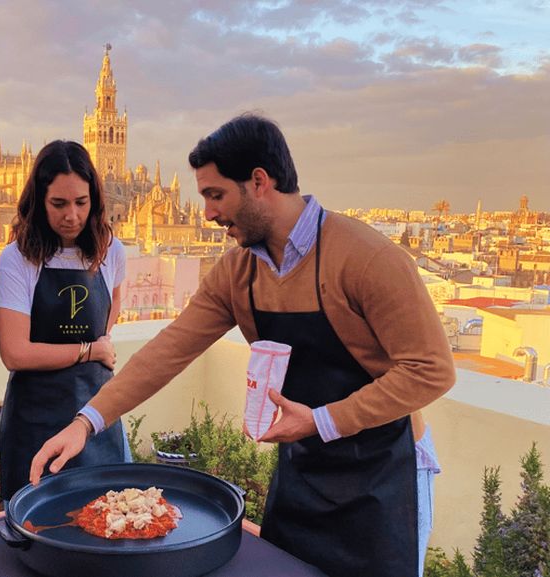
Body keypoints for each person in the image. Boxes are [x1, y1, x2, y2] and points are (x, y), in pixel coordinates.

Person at [30, 114, 455, 577]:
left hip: (385, 475)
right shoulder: (239, 272)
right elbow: (170, 349)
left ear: (259, 182)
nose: (208, 213)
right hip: (305, 470)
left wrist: (321, 420)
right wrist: (86, 422)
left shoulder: (367, 258)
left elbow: (431, 370)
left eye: (216, 195)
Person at [0, 140, 129, 501]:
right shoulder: (17, 259)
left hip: (97, 414)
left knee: (109, 522)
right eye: (59, 204)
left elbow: (113, 305)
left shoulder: (111, 250)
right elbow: (15, 353)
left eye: (81, 203)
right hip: (34, 418)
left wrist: (99, 345)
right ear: (39, 201)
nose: (72, 215)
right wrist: (88, 350)